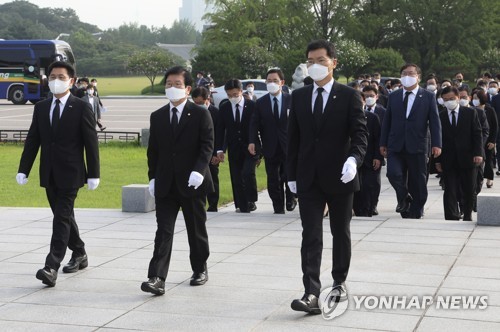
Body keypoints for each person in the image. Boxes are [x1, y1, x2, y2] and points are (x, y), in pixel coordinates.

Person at [287, 40, 368, 314]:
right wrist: (291, 175)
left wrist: (354, 160)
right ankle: (310, 291)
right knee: (310, 234)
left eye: (321, 60)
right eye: (310, 61)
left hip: (340, 176)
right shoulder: (299, 96)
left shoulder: (349, 96)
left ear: (334, 62)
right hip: (308, 176)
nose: (315, 66)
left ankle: (339, 282)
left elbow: (360, 134)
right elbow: (293, 139)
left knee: (339, 232)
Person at [16, 61, 100, 287]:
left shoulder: (81, 107)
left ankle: (51, 266)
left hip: (72, 174)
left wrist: (94, 173)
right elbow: (33, 140)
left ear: (71, 81)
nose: (56, 80)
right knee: (64, 216)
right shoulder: (41, 107)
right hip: (49, 173)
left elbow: (91, 144)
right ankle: (80, 252)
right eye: (52, 76)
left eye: (61, 77)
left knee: (61, 218)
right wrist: (24, 169)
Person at [142, 66, 214, 295]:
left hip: (192, 181)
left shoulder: (201, 113)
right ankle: (157, 277)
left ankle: (200, 268)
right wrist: (152, 177)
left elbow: (207, 146)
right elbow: (153, 151)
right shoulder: (158, 116)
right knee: (163, 231)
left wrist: (199, 171)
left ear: (188, 88)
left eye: (177, 84)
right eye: (169, 84)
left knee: (196, 229)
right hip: (166, 183)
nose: (172, 88)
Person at [380, 63, 442, 219]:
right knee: (393, 174)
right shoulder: (393, 96)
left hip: (418, 144)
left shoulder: (428, 96)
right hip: (396, 144)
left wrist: (436, 143)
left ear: (418, 77)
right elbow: (387, 121)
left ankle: (415, 210)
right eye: (404, 73)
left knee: (418, 181)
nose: (407, 76)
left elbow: (434, 122)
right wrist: (383, 143)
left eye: (411, 73)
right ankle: (404, 197)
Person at [249, 68, 296, 214]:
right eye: (269, 81)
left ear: (282, 82)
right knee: (273, 178)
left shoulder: (291, 100)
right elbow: (254, 124)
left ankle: (291, 198)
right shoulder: (261, 103)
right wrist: (252, 141)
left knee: (289, 175)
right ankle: (277, 205)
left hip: (289, 145)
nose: (272, 83)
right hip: (270, 146)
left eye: (275, 81)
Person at [435, 86, 483, 221]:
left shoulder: (470, 113)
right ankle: (451, 216)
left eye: (451, 99)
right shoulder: (440, 116)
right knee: (450, 189)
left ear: (458, 98)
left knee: (468, 189)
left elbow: (477, 134)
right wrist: (437, 160)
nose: (448, 102)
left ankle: (467, 215)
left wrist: (478, 153)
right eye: (445, 100)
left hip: (468, 158)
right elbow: (437, 139)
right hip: (448, 159)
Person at [216, 79, 259, 213]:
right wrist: (220, 149)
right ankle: (242, 205)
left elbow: (258, 127)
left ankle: (251, 199)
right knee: (236, 177)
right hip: (234, 147)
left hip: (251, 147)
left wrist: (259, 149)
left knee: (247, 173)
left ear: (241, 91)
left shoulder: (252, 106)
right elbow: (220, 130)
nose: (232, 97)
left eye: (235, 94)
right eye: (229, 95)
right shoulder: (224, 108)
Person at [353, 93, 384, 217]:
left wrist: (378, 156)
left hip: (370, 157)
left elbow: (378, 139)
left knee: (369, 185)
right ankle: (357, 208)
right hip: (353, 157)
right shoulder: (347, 116)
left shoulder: (372, 117)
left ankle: (369, 208)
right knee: (355, 186)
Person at [192, 86, 220, 212]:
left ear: (207, 99)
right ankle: (198, 203)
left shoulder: (215, 113)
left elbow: (219, 135)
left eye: (200, 103)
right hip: (196, 153)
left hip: (212, 153)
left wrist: (216, 153)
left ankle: (213, 204)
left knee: (212, 178)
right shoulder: (191, 112)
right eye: (195, 103)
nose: (198, 105)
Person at [472, 89, 498, 188]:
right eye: (473, 98)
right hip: (477, 140)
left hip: (488, 140)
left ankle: (489, 179)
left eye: (476, 98)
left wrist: (493, 140)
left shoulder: (490, 109)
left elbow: (495, 126)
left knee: (489, 160)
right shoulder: (471, 109)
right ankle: (479, 178)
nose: (474, 100)